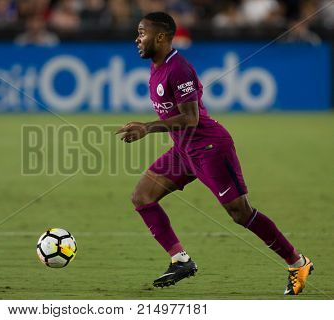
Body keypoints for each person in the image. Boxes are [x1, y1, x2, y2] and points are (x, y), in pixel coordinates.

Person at [116, 11, 313, 295]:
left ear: (160, 37)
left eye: (142, 33)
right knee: (142, 196)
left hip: (209, 147)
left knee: (240, 213)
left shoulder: (178, 68)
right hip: (185, 151)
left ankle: (297, 262)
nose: (137, 38)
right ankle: (180, 260)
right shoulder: (157, 66)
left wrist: (147, 128)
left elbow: (191, 118)